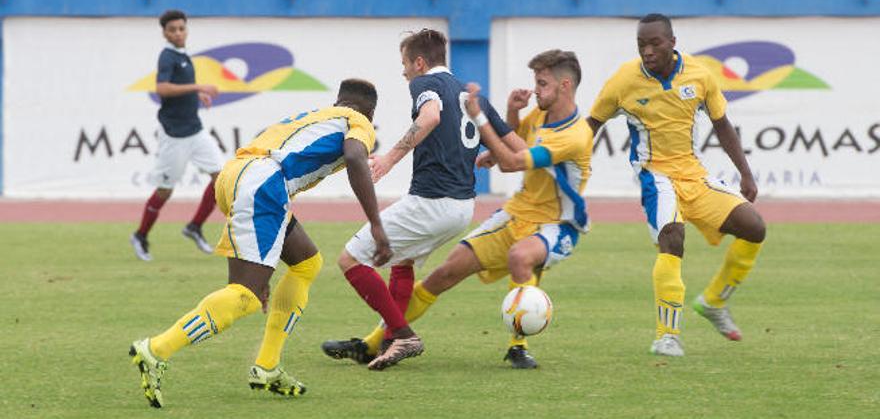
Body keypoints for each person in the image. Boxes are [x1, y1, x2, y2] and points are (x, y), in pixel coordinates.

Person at [129, 79, 391, 408]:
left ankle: (267, 366)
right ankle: (155, 350)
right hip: (264, 184)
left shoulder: (317, 114)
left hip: (237, 176)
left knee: (306, 262)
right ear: (367, 111)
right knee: (246, 296)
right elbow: (355, 157)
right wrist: (376, 224)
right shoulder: (359, 120)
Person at [343, 49, 591, 370]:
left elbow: (515, 161)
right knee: (442, 275)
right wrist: (512, 113)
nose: (536, 90)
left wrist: (480, 116)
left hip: (559, 223)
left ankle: (518, 346)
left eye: (542, 83)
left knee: (520, 257)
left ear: (565, 85)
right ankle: (374, 343)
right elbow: (515, 146)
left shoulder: (576, 135)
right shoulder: (541, 117)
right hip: (515, 215)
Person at [321, 29, 521, 371]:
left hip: (433, 202)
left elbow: (430, 117)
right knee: (404, 262)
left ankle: (402, 334)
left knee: (350, 260)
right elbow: (520, 150)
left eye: (404, 65)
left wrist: (388, 159)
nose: (404, 73)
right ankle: (386, 342)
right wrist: (492, 154)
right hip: (462, 208)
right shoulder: (474, 99)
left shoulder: (425, 84)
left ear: (419, 61)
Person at [587, 13, 767, 357]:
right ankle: (666, 335)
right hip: (654, 174)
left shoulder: (700, 75)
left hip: (694, 175)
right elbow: (591, 124)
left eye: (655, 43)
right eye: (642, 44)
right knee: (673, 236)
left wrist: (745, 172)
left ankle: (714, 302)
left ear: (672, 42)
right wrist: (572, 166)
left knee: (754, 227)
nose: (648, 50)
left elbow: (722, 124)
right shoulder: (623, 81)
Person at [130, 9, 225, 261]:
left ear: (186, 29)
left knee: (222, 177)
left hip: (195, 129)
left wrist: (196, 95)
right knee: (165, 190)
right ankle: (140, 235)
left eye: (181, 28)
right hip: (174, 135)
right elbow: (161, 88)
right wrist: (198, 86)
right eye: (172, 30)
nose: (178, 33)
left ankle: (194, 227)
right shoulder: (167, 57)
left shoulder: (183, 56)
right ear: (165, 33)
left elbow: (180, 89)